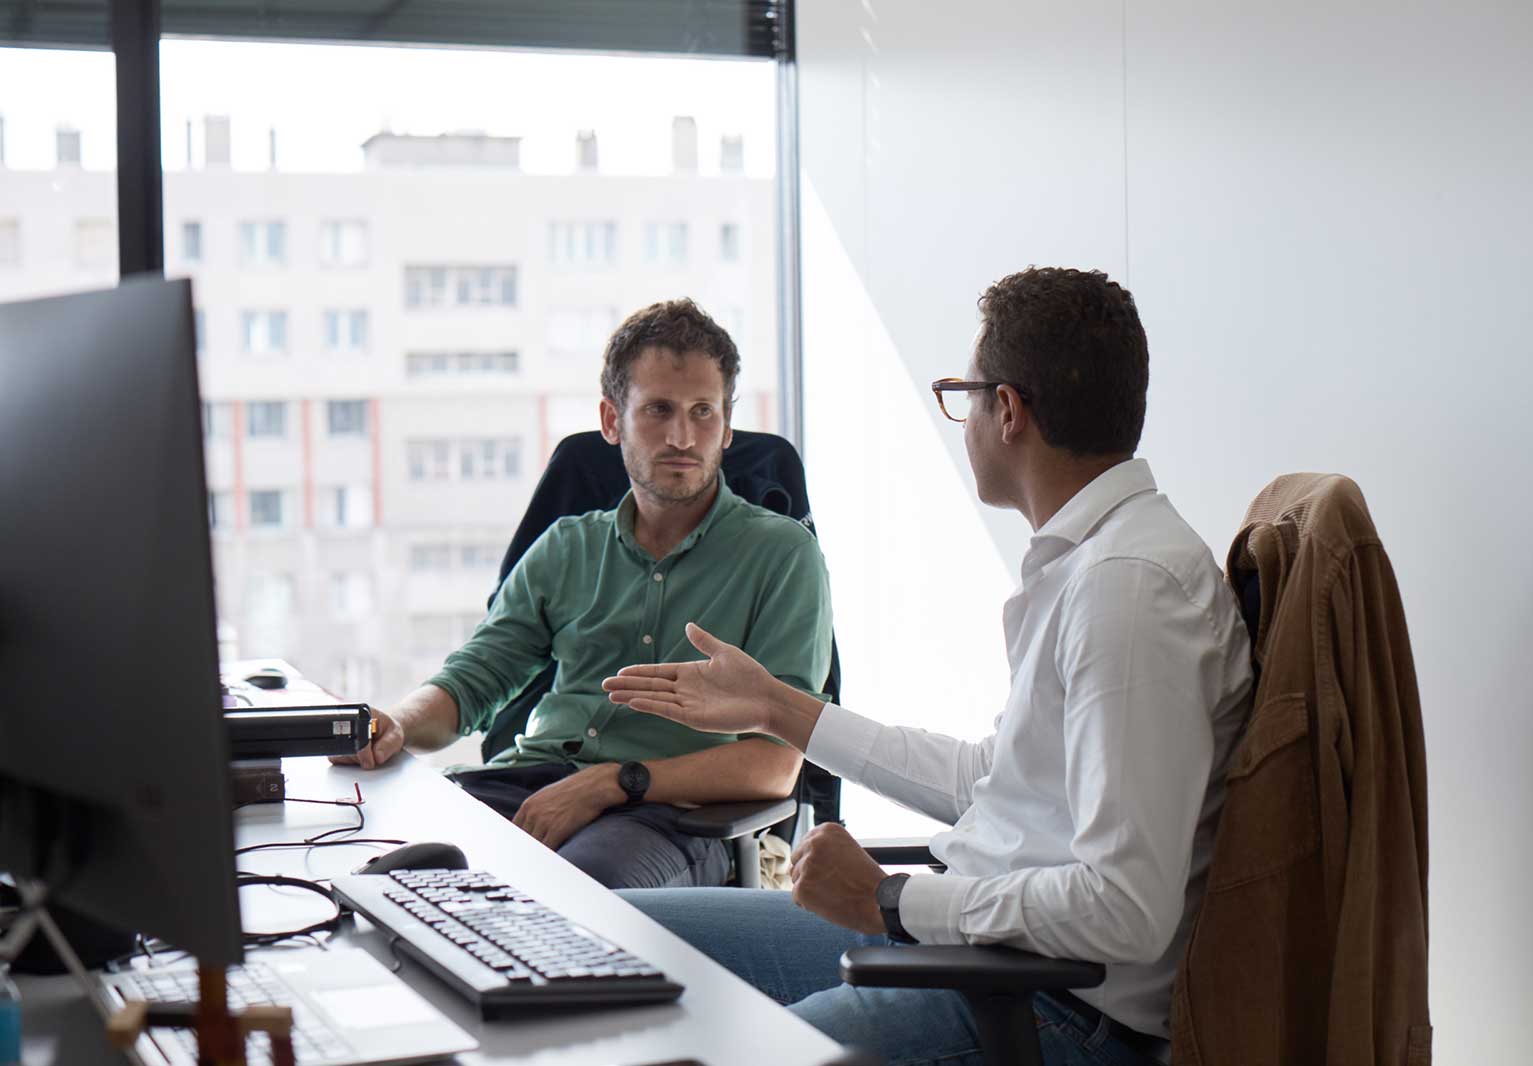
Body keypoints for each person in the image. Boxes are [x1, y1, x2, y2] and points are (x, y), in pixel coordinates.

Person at [603, 268, 1254, 1064]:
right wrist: (777, 707)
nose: (965, 420)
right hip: (982, 961)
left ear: (1008, 410)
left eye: (965, 395)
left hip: (1047, 1010)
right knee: (613, 930)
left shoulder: (1127, 592)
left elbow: (1125, 909)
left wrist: (889, 898)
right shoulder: (1092, 562)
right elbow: (990, 782)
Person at [335, 299, 833, 890]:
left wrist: (611, 781)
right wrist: (395, 720)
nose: (682, 436)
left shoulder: (782, 556)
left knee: (575, 893)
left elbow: (776, 766)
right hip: (530, 782)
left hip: (672, 815)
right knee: (373, 865)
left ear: (727, 425)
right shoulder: (565, 547)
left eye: (704, 412)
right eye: (658, 410)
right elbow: (473, 682)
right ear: (611, 419)